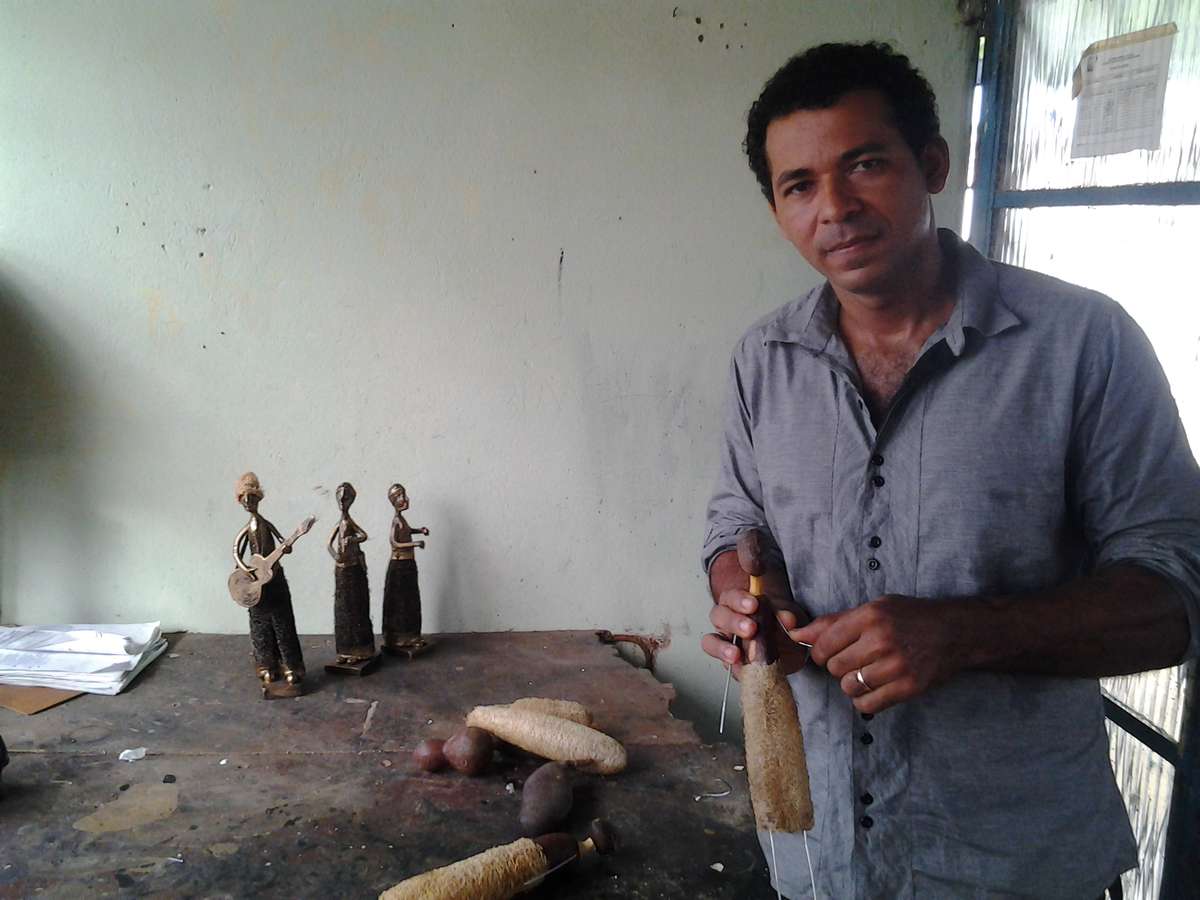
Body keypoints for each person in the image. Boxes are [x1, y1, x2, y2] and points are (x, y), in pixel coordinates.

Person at [701, 42, 1200, 899]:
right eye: (800, 186)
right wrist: (753, 602)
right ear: (777, 209)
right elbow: (735, 525)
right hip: (819, 861)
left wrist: (967, 633)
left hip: (1015, 866)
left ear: (932, 164)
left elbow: (1179, 591)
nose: (835, 209)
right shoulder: (764, 361)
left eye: (865, 165)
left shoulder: (1084, 344)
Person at [233, 472, 306, 688]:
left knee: (282, 621)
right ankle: (267, 664)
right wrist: (246, 569)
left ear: (259, 499)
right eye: (245, 499)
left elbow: (282, 540)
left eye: (252, 498)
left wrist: (287, 546)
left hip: (275, 578)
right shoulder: (247, 529)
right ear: (241, 502)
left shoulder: (266, 524)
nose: (249, 503)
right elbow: (237, 551)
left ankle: (290, 665)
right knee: (261, 624)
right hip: (257, 581)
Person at [382, 482, 430, 655]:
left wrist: (420, 530)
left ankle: (411, 636)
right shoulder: (396, 521)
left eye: (404, 495)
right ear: (394, 500)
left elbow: (407, 531)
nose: (405, 498)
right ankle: (398, 638)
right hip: (399, 566)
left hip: (408, 564)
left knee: (410, 600)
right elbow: (394, 542)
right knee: (401, 602)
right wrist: (415, 543)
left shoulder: (401, 520)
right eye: (400, 496)